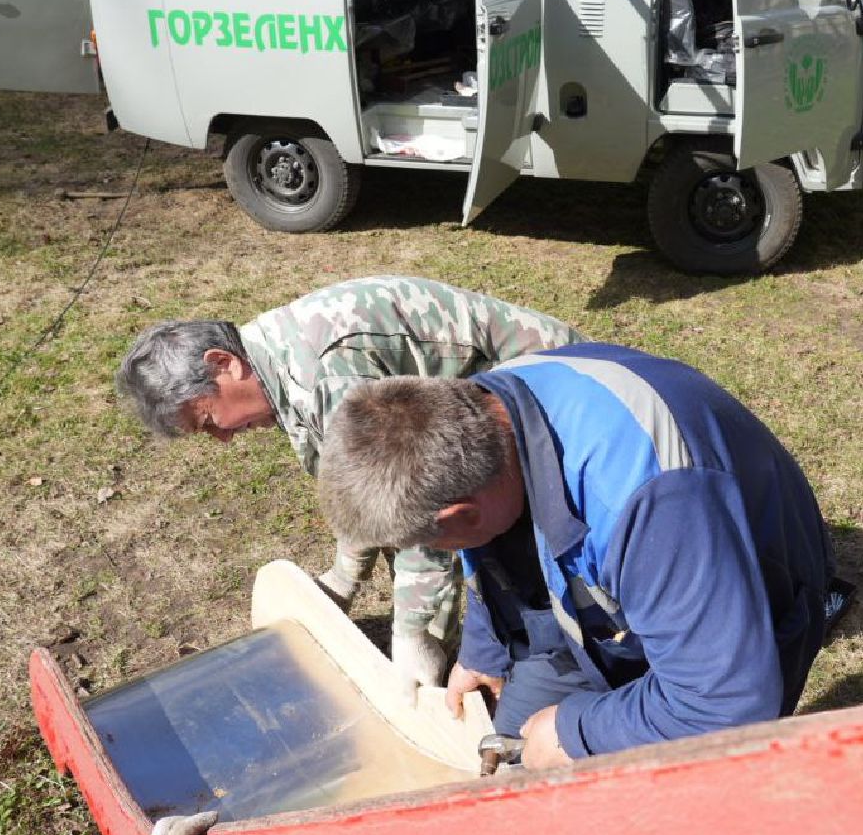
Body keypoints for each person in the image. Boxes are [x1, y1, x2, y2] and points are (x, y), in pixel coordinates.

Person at [317, 343, 840, 770]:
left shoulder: (649, 495)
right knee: (507, 769)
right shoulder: (487, 412)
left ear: (460, 516)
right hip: (600, 591)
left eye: (431, 544)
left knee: (683, 799)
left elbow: (726, 704)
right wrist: (483, 650)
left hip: (740, 602)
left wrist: (576, 733)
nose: (434, 555)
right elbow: (494, 538)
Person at [115, 276, 585, 696]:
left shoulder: (330, 372)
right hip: (476, 414)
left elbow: (422, 503)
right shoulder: (270, 363)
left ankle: (528, 664)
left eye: (208, 420)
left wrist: (413, 632)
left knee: (514, 553)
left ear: (222, 364)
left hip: (554, 398)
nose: (220, 437)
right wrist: (344, 577)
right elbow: (359, 488)